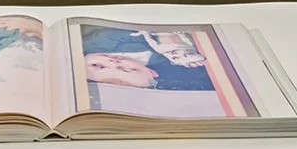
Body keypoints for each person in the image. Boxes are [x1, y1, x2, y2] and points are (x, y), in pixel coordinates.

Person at [79, 27, 214, 92]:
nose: (112, 62)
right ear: (151, 72)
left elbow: (125, 31)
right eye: (130, 69)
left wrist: (164, 40)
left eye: (97, 65)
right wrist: (178, 56)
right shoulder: (157, 60)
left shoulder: (95, 44)